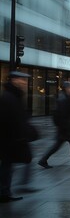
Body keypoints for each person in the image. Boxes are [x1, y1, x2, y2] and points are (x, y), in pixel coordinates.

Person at [0, 71, 35, 203]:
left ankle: (5, 191)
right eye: (21, 80)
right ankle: (4, 192)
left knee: (8, 165)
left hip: (14, 138)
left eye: (25, 80)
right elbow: (7, 119)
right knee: (7, 165)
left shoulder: (14, 95)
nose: (24, 83)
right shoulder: (9, 97)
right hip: (10, 139)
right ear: (14, 80)